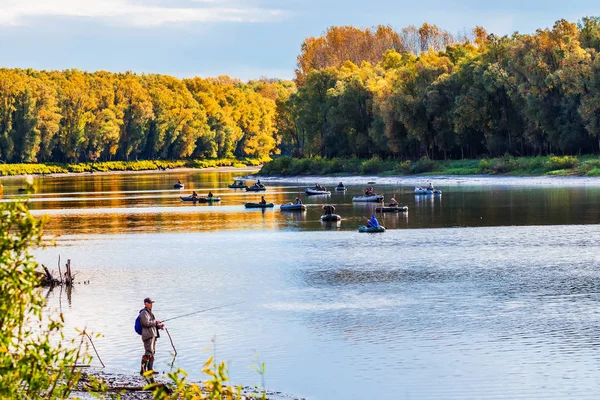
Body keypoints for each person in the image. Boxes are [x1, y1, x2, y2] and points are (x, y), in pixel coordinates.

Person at [139, 297, 164, 379]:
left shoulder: (149, 312)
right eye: (150, 303)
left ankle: (150, 370)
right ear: (145, 303)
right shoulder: (143, 312)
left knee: (152, 352)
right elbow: (146, 323)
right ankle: (143, 371)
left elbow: (151, 324)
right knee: (148, 352)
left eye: (151, 303)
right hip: (147, 335)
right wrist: (156, 322)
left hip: (152, 334)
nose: (151, 305)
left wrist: (158, 326)